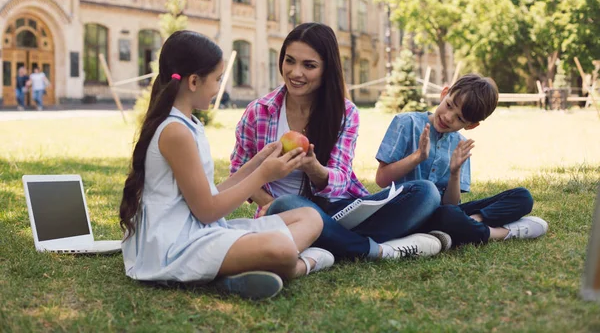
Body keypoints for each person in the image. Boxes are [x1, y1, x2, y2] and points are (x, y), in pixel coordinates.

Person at [119, 30, 335, 301]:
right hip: (176, 247)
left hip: (199, 232)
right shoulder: (175, 132)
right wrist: (264, 175)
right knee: (282, 248)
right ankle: (302, 265)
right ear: (195, 82)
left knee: (310, 217)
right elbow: (208, 211)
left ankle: (230, 272)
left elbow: (210, 193)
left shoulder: (188, 124)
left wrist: (258, 161)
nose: (219, 87)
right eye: (218, 79)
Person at [230, 22, 443, 261]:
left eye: (309, 65)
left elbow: (340, 182)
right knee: (288, 204)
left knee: (426, 193)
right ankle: (372, 249)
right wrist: (268, 203)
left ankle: (326, 240)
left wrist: (313, 168)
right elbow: (239, 170)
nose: (295, 72)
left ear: (326, 69)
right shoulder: (258, 111)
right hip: (285, 211)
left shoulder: (345, 113)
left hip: (341, 210)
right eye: (289, 61)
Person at [375, 73, 549, 248]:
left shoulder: (460, 145)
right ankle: (500, 233)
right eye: (449, 105)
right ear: (444, 94)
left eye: (460, 118)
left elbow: (450, 205)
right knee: (444, 210)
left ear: (471, 125)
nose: (449, 117)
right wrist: (417, 157)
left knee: (522, 197)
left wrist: (455, 173)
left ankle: (467, 223)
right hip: (402, 213)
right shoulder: (406, 123)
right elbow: (381, 179)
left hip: (440, 217)